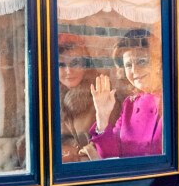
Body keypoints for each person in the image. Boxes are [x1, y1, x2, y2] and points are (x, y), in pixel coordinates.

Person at [88, 29, 163, 159]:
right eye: (128, 65)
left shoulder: (172, 98)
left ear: (158, 63)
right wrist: (102, 117)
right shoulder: (130, 104)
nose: (134, 70)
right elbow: (111, 156)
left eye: (142, 61)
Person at [58, 34, 98, 163]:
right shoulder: (49, 98)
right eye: (61, 65)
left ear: (85, 66)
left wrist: (79, 156)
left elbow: (111, 142)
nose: (68, 71)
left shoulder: (100, 95)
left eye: (75, 63)